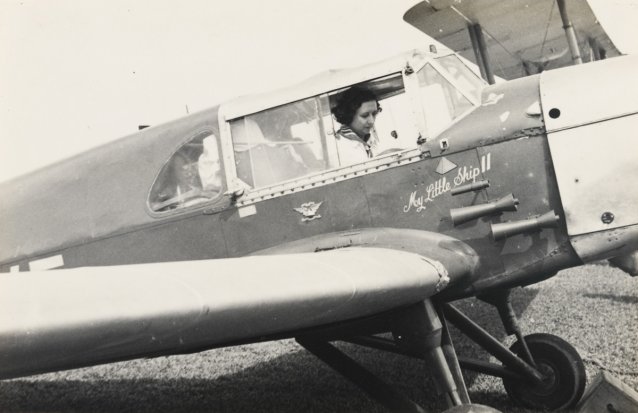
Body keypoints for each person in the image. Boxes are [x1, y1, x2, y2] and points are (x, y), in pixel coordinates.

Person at [332, 85, 381, 165]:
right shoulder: (338, 148)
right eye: (365, 116)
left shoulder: (371, 140)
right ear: (349, 115)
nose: (372, 121)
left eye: (374, 114)